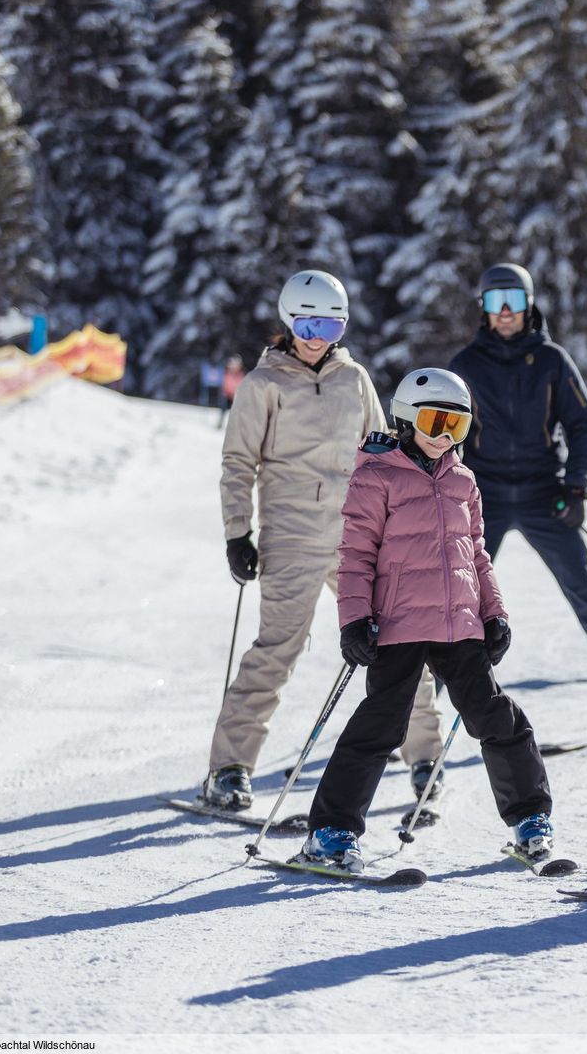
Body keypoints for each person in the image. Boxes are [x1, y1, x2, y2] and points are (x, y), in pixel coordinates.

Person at [204, 270, 445, 811]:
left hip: (358, 534)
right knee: (278, 649)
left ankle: (424, 756)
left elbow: (382, 450)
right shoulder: (263, 385)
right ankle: (230, 766)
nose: (318, 337)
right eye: (308, 325)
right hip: (291, 534)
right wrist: (237, 532)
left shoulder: (353, 379)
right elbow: (238, 463)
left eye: (330, 326)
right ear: (289, 322)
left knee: (400, 640)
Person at [300, 368, 554, 873]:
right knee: (381, 725)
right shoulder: (377, 475)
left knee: (496, 718)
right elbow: (356, 555)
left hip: (459, 625)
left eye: (456, 426)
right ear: (406, 418)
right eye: (436, 421)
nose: (444, 435)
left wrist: (494, 613)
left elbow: (476, 555)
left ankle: (530, 818)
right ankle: (331, 830)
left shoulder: (463, 480)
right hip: (397, 625)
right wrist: (354, 619)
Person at [447, 262, 587, 731]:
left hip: (543, 493)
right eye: (495, 301)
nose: (505, 310)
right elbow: (444, 433)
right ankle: (419, 718)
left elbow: (583, 425)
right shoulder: (466, 365)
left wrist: (575, 487)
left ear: (529, 305)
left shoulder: (552, 360)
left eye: (514, 300)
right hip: (483, 496)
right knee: (453, 597)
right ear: (482, 308)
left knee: (586, 591)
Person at [217, 355, 245, 428]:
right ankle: (220, 422)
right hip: (227, 395)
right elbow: (225, 385)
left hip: (236, 396)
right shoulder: (226, 374)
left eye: (236, 365)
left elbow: (241, 385)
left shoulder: (240, 375)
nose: (234, 367)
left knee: (237, 410)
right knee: (223, 408)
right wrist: (226, 392)